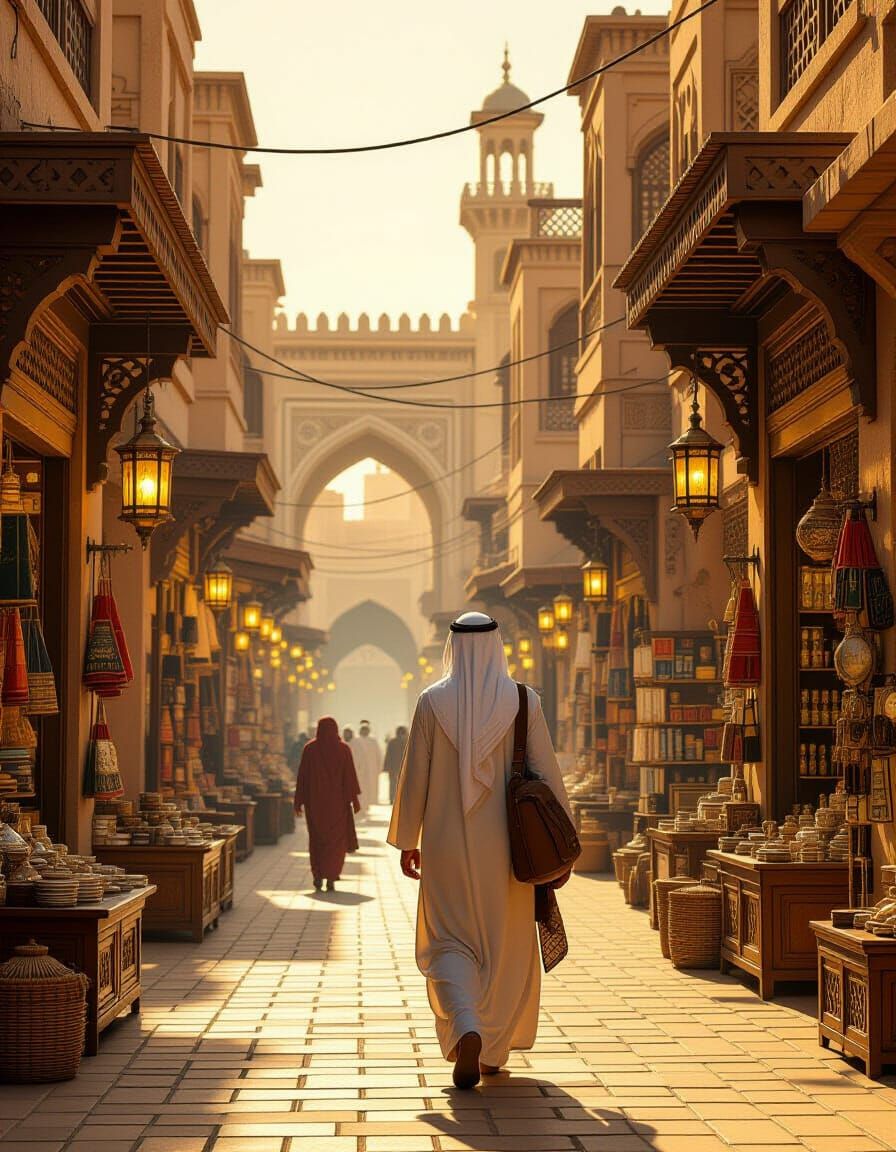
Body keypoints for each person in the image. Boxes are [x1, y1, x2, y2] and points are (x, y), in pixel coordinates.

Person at [388, 611, 573, 1089]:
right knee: (506, 949)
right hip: (509, 856)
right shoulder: (523, 701)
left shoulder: (432, 703)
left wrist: (409, 839)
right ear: (496, 646)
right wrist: (564, 849)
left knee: (448, 942)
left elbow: (415, 778)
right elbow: (547, 775)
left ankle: (466, 1025)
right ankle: (490, 1048)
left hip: (446, 849)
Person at [294, 717, 361, 892]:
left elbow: (302, 778)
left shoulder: (310, 749)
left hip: (314, 805)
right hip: (337, 805)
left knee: (317, 840)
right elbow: (349, 777)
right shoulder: (343, 749)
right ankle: (331, 876)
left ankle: (317, 875)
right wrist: (354, 800)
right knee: (336, 842)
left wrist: (298, 802)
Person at [351, 721, 383, 811]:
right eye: (363, 729)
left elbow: (378, 755)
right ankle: (361, 804)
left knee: (370, 787)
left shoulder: (373, 741)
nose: (365, 731)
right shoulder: (355, 741)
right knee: (361, 787)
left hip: (372, 768)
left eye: (366, 730)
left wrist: (379, 767)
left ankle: (368, 803)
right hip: (359, 769)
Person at [384, 725, 408, 804]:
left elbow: (388, 755)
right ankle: (394, 798)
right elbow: (388, 755)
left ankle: (394, 798)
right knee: (396, 783)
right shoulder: (407, 741)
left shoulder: (394, 742)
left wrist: (386, 767)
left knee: (397, 783)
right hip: (397, 767)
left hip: (397, 767)